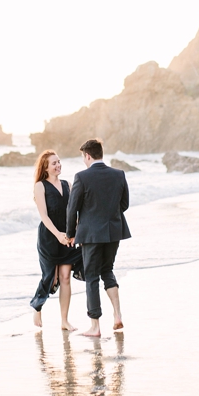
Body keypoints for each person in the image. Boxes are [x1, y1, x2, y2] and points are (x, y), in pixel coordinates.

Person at [66, 139, 130, 337]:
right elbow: (125, 204)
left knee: (92, 277)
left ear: (87, 155)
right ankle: (117, 315)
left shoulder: (82, 177)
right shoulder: (118, 174)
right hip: (113, 231)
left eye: (83, 157)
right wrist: (108, 216)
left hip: (91, 235)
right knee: (107, 270)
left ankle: (95, 327)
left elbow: (72, 209)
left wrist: (70, 233)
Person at [30, 150, 84, 331]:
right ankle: (37, 306)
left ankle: (64, 321)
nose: (58, 165)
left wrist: (74, 232)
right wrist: (57, 235)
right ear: (45, 167)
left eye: (59, 161)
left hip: (67, 237)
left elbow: (73, 213)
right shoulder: (40, 186)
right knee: (50, 278)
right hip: (49, 237)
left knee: (66, 277)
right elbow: (44, 216)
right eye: (54, 163)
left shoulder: (68, 184)